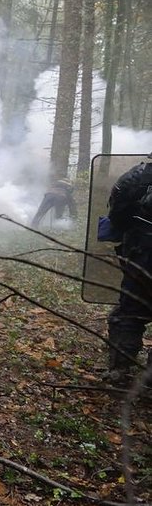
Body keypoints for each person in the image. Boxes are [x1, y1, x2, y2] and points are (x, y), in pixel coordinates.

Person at [104, 158, 152, 383]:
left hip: (142, 255)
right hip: (142, 251)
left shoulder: (136, 176)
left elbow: (117, 216)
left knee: (130, 311)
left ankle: (119, 368)